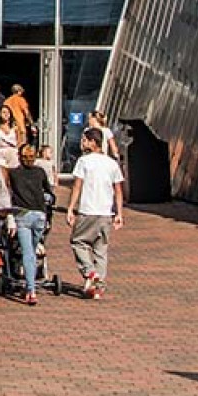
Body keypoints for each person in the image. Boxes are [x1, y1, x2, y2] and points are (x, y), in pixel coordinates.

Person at [67, 127, 125, 299]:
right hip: (105, 212)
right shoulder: (111, 163)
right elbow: (119, 190)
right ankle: (99, 286)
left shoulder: (84, 161)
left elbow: (77, 185)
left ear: (93, 142)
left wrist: (71, 207)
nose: (82, 143)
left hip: (88, 210)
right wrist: (119, 213)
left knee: (78, 242)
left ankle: (90, 272)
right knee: (101, 249)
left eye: (85, 140)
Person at [7, 145, 53, 304]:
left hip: (23, 214)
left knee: (27, 252)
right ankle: (31, 280)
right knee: (32, 251)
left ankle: (31, 289)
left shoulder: (13, 174)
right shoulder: (40, 172)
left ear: (19, 156)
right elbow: (48, 192)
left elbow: (9, 193)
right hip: (39, 214)